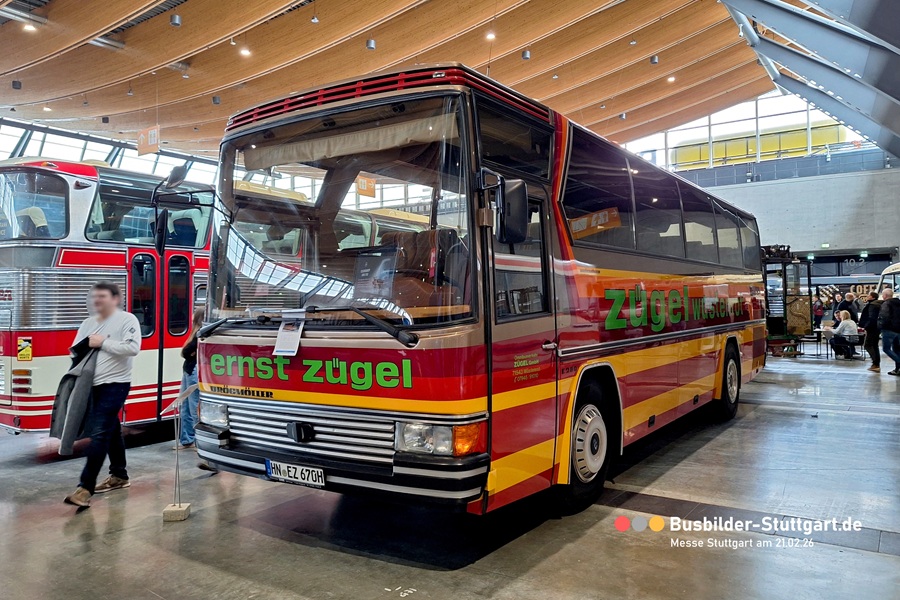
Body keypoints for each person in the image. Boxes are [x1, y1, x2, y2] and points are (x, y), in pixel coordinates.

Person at [64, 282, 141, 508]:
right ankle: (119, 475)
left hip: (116, 384)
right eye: (94, 296)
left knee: (99, 433)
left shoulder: (127, 320)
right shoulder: (88, 323)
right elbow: (75, 350)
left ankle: (84, 489)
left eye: (102, 296)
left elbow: (133, 348)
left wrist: (103, 342)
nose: (96, 300)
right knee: (110, 428)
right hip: (91, 385)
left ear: (115, 299)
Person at [176, 308, 204, 450]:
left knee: (193, 407)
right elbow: (186, 353)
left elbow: (186, 351)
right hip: (189, 370)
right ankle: (187, 440)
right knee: (185, 406)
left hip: (193, 370)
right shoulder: (196, 333)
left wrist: (190, 352)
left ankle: (199, 441)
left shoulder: (199, 334)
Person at [858, 291, 883, 372]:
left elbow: (871, 317)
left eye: (869, 295)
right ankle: (876, 364)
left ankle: (875, 363)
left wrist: (866, 326)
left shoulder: (872, 305)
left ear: (873, 297)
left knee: (868, 345)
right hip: (877, 327)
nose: (867, 296)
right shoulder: (878, 304)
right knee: (874, 345)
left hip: (872, 328)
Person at [878, 289, 900, 376]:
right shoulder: (898, 303)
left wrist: (880, 326)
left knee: (886, 349)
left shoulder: (886, 304)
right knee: (897, 349)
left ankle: (899, 363)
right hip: (898, 330)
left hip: (889, 329)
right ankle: (898, 369)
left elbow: (884, 316)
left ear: (885, 296)